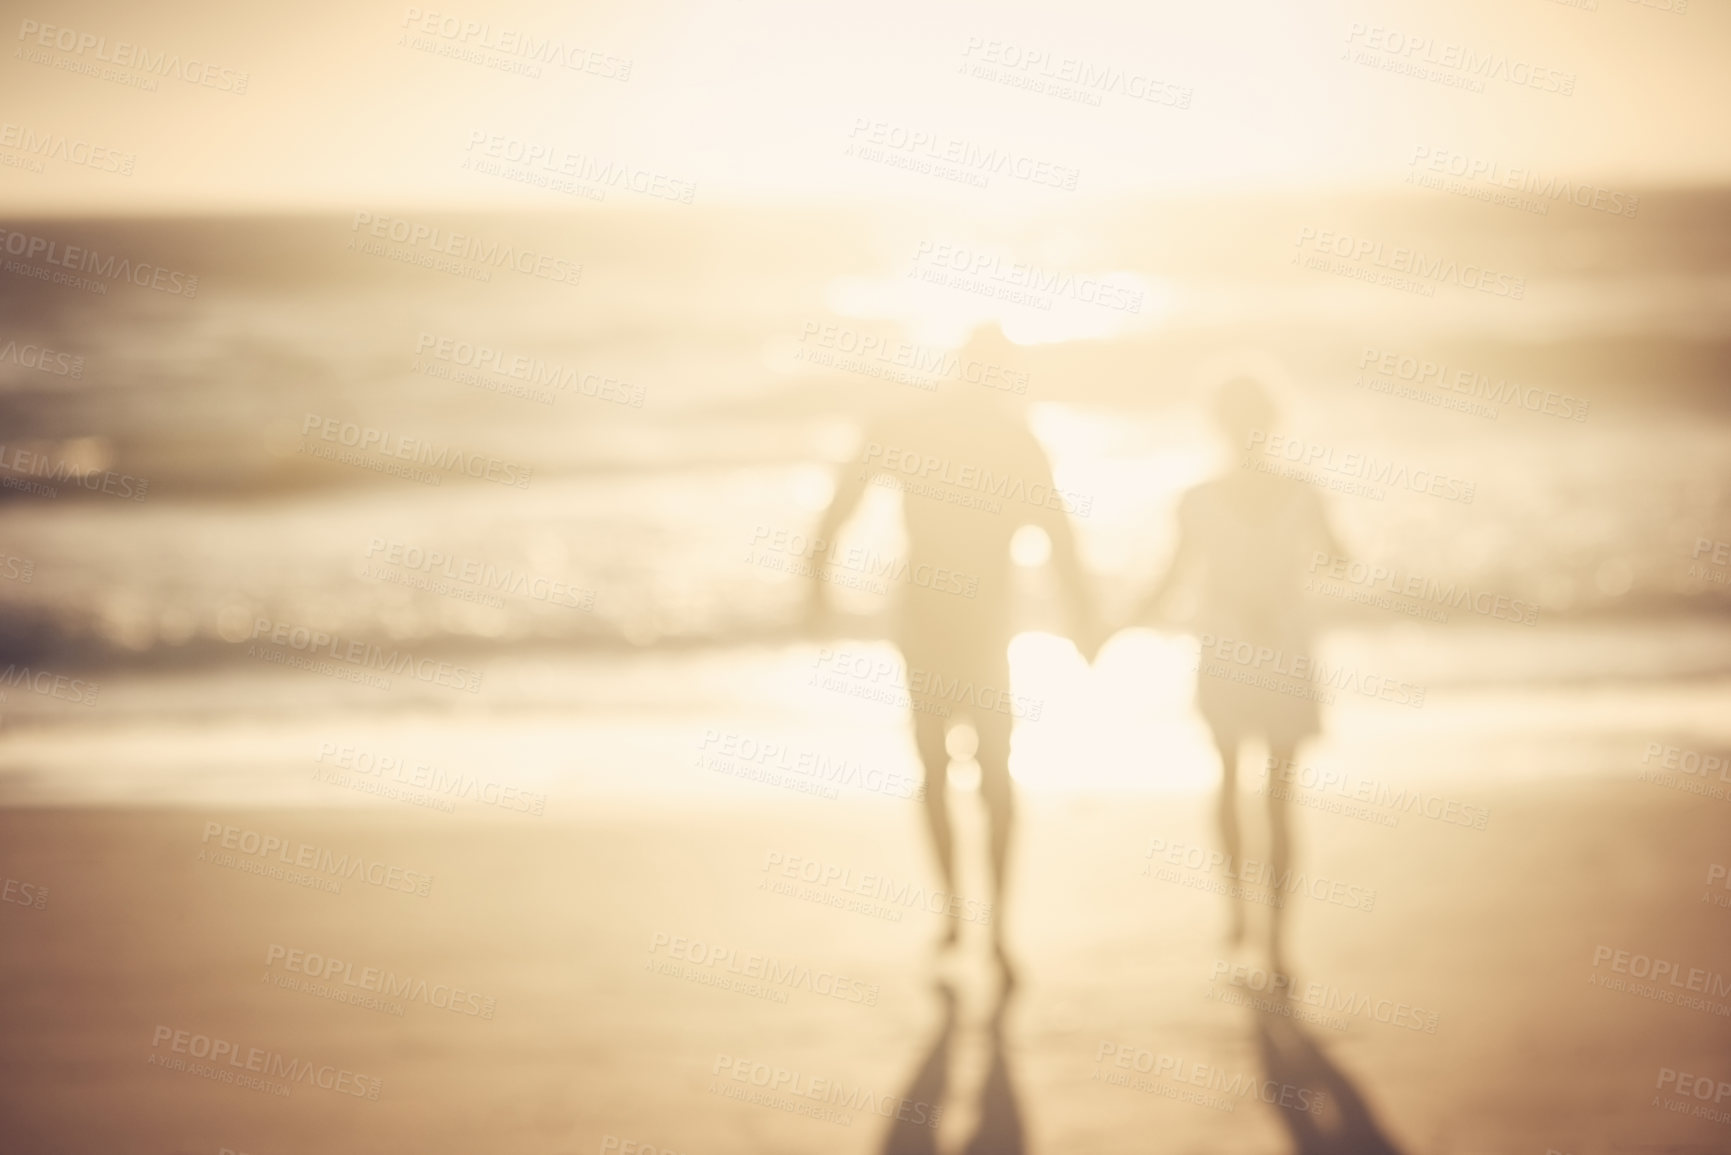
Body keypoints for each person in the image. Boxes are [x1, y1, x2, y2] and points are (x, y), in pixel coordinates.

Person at [806, 324, 1102, 977]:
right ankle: (988, 923)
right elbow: (1060, 539)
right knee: (992, 773)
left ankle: (958, 915)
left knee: (937, 768)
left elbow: (837, 509)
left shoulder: (911, 427)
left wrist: (817, 584)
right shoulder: (1012, 440)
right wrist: (1084, 623)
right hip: (976, 626)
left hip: (929, 622)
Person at [1132, 374, 1342, 968]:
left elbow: (1168, 581)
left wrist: (1109, 628)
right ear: (1274, 421)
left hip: (1225, 649)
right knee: (1279, 795)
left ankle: (1237, 915)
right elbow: (1341, 560)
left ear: (1219, 424)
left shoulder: (1197, 499)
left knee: (1227, 778)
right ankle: (1275, 934)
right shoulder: (1304, 490)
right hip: (1285, 647)